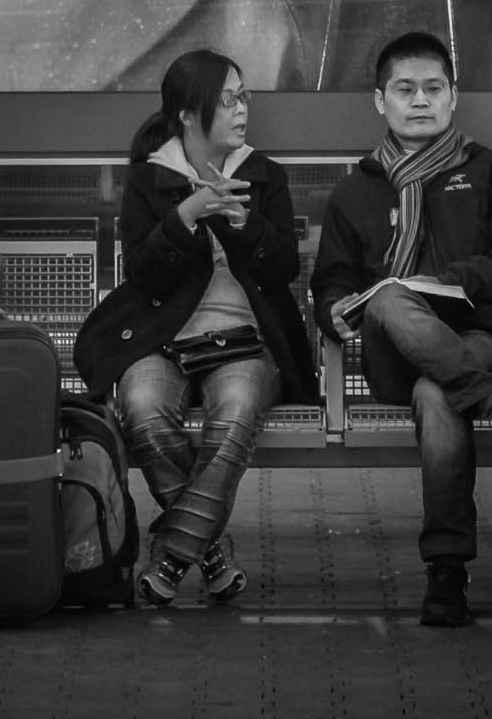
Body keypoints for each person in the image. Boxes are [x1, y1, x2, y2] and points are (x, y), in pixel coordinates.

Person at [311, 31, 492, 628]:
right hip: (391, 353)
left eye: (433, 88)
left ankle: (446, 570)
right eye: (405, 90)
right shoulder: (356, 192)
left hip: (485, 344)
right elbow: (329, 283)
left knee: (436, 392)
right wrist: (336, 311)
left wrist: (456, 278)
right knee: (391, 300)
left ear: (455, 97)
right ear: (381, 101)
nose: (420, 100)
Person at [73, 47, 317, 606]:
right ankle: (210, 554)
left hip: (246, 345)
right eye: (227, 99)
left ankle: (174, 556)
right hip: (163, 343)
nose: (240, 109)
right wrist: (185, 216)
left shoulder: (263, 176)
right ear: (187, 113)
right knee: (142, 411)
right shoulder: (150, 180)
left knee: (232, 418)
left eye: (242, 97)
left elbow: (282, 270)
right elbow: (142, 273)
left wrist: (243, 222)